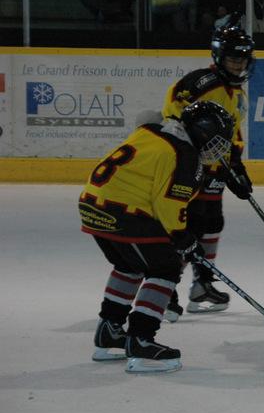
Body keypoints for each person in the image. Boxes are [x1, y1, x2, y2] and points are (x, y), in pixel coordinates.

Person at [82, 101, 235, 373]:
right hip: (124, 213)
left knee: (129, 265)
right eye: (217, 137)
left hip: (92, 206)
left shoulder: (154, 132)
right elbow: (169, 205)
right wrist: (184, 238)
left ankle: (109, 332)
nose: (219, 145)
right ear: (202, 131)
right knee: (165, 268)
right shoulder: (185, 154)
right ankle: (141, 341)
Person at [160, 20, 256, 321]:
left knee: (212, 223)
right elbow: (172, 121)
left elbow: (232, 134)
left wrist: (236, 167)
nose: (238, 65)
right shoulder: (200, 84)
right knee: (185, 228)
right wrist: (189, 160)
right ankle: (164, 287)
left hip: (215, 170)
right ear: (218, 57)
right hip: (189, 168)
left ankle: (202, 283)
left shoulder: (237, 91)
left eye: (242, 60)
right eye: (232, 59)